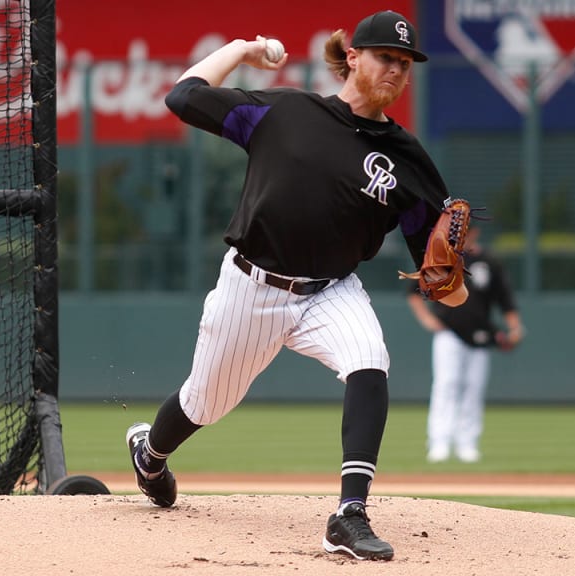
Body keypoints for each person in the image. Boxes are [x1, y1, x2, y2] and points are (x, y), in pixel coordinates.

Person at [124, 10, 467, 562]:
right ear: (353, 57)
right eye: (386, 57)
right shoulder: (286, 111)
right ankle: (151, 453)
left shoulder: (408, 162)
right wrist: (239, 47)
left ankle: (349, 515)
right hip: (250, 286)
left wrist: (452, 284)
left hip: (331, 290)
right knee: (204, 402)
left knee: (369, 360)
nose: (396, 71)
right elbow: (183, 97)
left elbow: (444, 284)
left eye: (405, 64)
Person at [407, 226, 523, 463]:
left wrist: (515, 328)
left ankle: (467, 443)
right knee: (446, 385)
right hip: (449, 332)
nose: (464, 234)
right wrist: (427, 319)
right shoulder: (441, 257)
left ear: (476, 232)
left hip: (480, 335)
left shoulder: (488, 261)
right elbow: (414, 290)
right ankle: (439, 442)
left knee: (473, 388)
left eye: (468, 230)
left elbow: (505, 300)